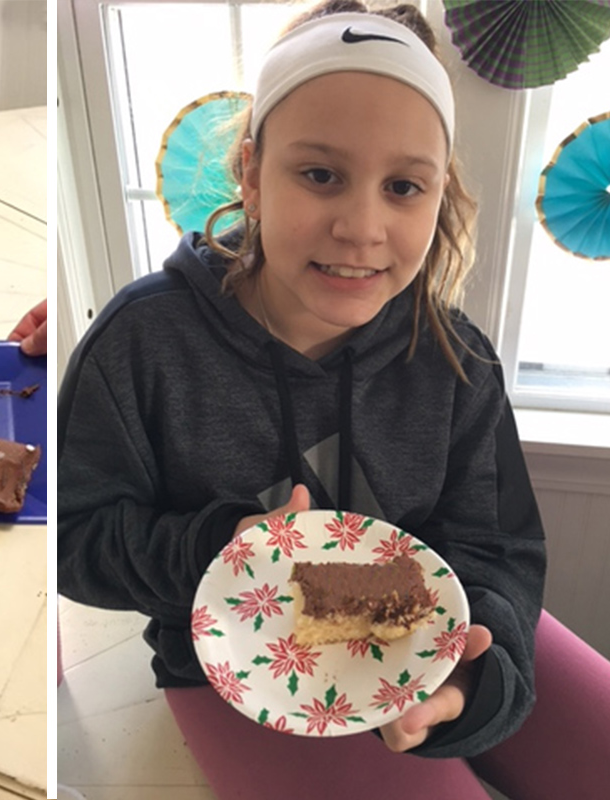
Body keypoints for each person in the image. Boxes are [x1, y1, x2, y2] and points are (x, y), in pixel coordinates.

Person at [57, 2, 610, 797]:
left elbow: (496, 550)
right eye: (320, 174)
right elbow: (75, 534)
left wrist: (472, 684)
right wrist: (217, 551)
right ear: (250, 171)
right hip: (231, 668)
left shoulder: (456, 360)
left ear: (437, 194)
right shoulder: (145, 345)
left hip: (428, 630)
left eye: (403, 186)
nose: (361, 226)